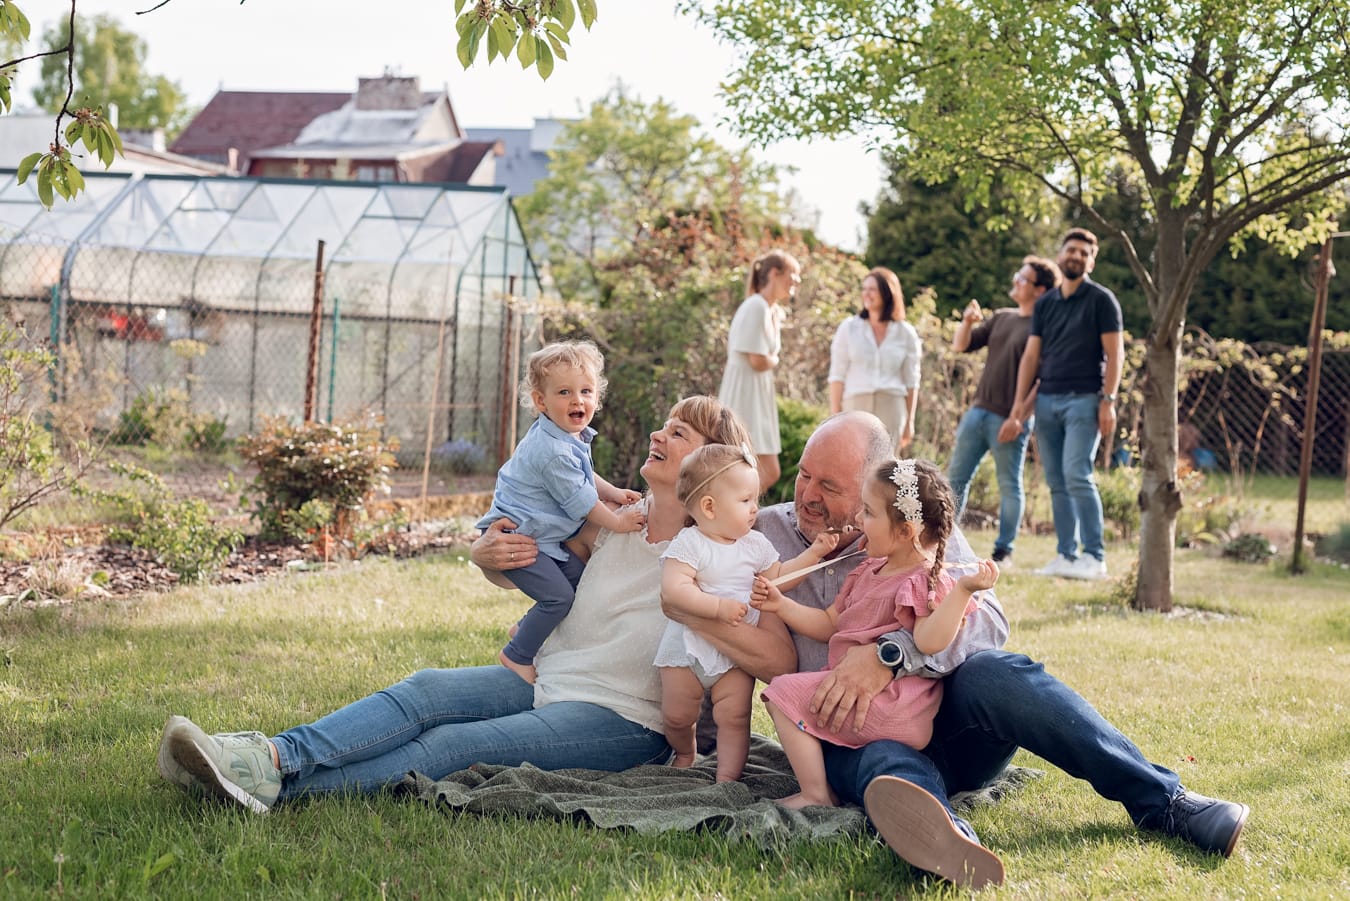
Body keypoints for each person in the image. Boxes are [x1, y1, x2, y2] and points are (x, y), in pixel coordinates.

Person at [669, 411, 1249, 889]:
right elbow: (691, 550)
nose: (807, 496)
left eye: (831, 486)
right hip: (841, 732)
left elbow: (989, 618)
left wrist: (893, 654)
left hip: (938, 714)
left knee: (1000, 674)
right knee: (884, 764)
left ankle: (1163, 801)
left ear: (884, 492)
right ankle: (948, 840)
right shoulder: (757, 532)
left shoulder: (919, 527)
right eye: (803, 476)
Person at [155, 395, 760, 813]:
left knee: (449, 749)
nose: (658, 434)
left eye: (678, 432)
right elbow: (525, 563)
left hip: (626, 719)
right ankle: (267, 756)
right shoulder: (609, 523)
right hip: (547, 677)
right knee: (424, 692)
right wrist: (484, 556)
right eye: (666, 424)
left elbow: (764, 636)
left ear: (711, 468)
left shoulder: (720, 557)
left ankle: (271, 789)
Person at [753, 459, 997, 809]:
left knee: (781, 695)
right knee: (791, 694)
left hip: (893, 704)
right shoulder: (867, 571)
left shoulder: (924, 581)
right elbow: (828, 623)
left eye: (868, 512)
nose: (857, 520)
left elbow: (929, 641)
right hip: (872, 701)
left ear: (904, 532)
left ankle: (815, 794)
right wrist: (779, 604)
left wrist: (963, 592)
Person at [655, 443, 838, 781]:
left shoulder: (755, 545)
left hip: (735, 656)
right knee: (678, 715)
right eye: (745, 501)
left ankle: (727, 776)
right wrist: (717, 607)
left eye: (756, 499)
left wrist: (814, 554)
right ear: (709, 507)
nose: (756, 508)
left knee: (735, 716)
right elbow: (674, 590)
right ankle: (684, 751)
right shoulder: (690, 543)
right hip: (687, 647)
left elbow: (780, 578)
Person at [475, 340, 646, 683]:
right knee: (559, 597)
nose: (577, 400)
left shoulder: (568, 437)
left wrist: (612, 491)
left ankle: (523, 628)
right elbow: (580, 500)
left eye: (586, 391)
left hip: (540, 538)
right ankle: (517, 654)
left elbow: (582, 477)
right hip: (517, 537)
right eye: (564, 392)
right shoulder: (552, 449)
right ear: (541, 401)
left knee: (581, 584)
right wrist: (617, 521)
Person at [1007, 228, 1125, 581]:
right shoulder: (1045, 304)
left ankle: (1094, 556)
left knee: (1077, 474)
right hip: (1047, 401)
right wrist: (1019, 404)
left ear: (1091, 261)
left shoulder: (1102, 301)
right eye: (1070, 250)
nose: (1076, 256)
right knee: (1057, 480)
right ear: (1060, 255)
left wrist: (1108, 400)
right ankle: (1066, 555)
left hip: (1085, 400)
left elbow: (1115, 353)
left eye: (1083, 253)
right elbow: (1031, 356)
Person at [947, 256, 1061, 564]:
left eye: (1022, 279)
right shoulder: (1002, 317)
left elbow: (1042, 380)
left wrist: (1019, 417)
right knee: (954, 479)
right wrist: (968, 322)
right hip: (978, 411)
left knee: (1009, 485)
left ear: (1040, 290)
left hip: (1010, 419)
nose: (1015, 282)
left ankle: (1003, 551)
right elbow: (962, 345)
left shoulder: (1045, 328)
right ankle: (943, 542)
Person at [719, 249, 802, 494]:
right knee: (757, 468)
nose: (796, 283)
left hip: (758, 394)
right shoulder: (756, 306)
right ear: (775, 274)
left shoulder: (771, 309)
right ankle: (727, 518)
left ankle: (733, 519)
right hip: (746, 395)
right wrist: (775, 359)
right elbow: (757, 360)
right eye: (793, 276)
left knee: (760, 470)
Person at [827, 267, 922, 453]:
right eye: (864, 289)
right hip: (855, 406)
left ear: (887, 293)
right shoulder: (849, 328)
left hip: (891, 406)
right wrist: (834, 417)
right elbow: (837, 375)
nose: (866, 294)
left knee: (884, 468)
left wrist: (909, 422)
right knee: (851, 462)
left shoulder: (906, 333)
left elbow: (912, 381)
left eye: (872, 289)